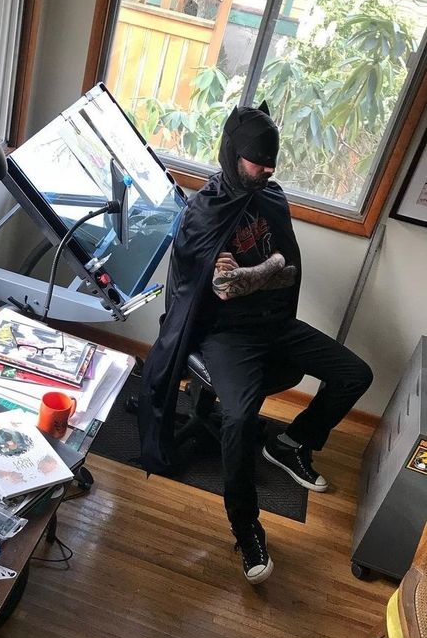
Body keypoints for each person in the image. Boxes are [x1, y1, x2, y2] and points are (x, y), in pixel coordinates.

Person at [137, 102, 373, 585]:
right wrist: (268, 272)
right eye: (257, 161)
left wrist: (257, 276)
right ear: (231, 155)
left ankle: (292, 442)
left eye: (271, 162)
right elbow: (227, 287)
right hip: (228, 336)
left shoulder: (271, 196)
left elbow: (280, 274)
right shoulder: (206, 211)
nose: (267, 170)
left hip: (274, 324)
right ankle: (245, 526)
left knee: (355, 374)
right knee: (240, 417)